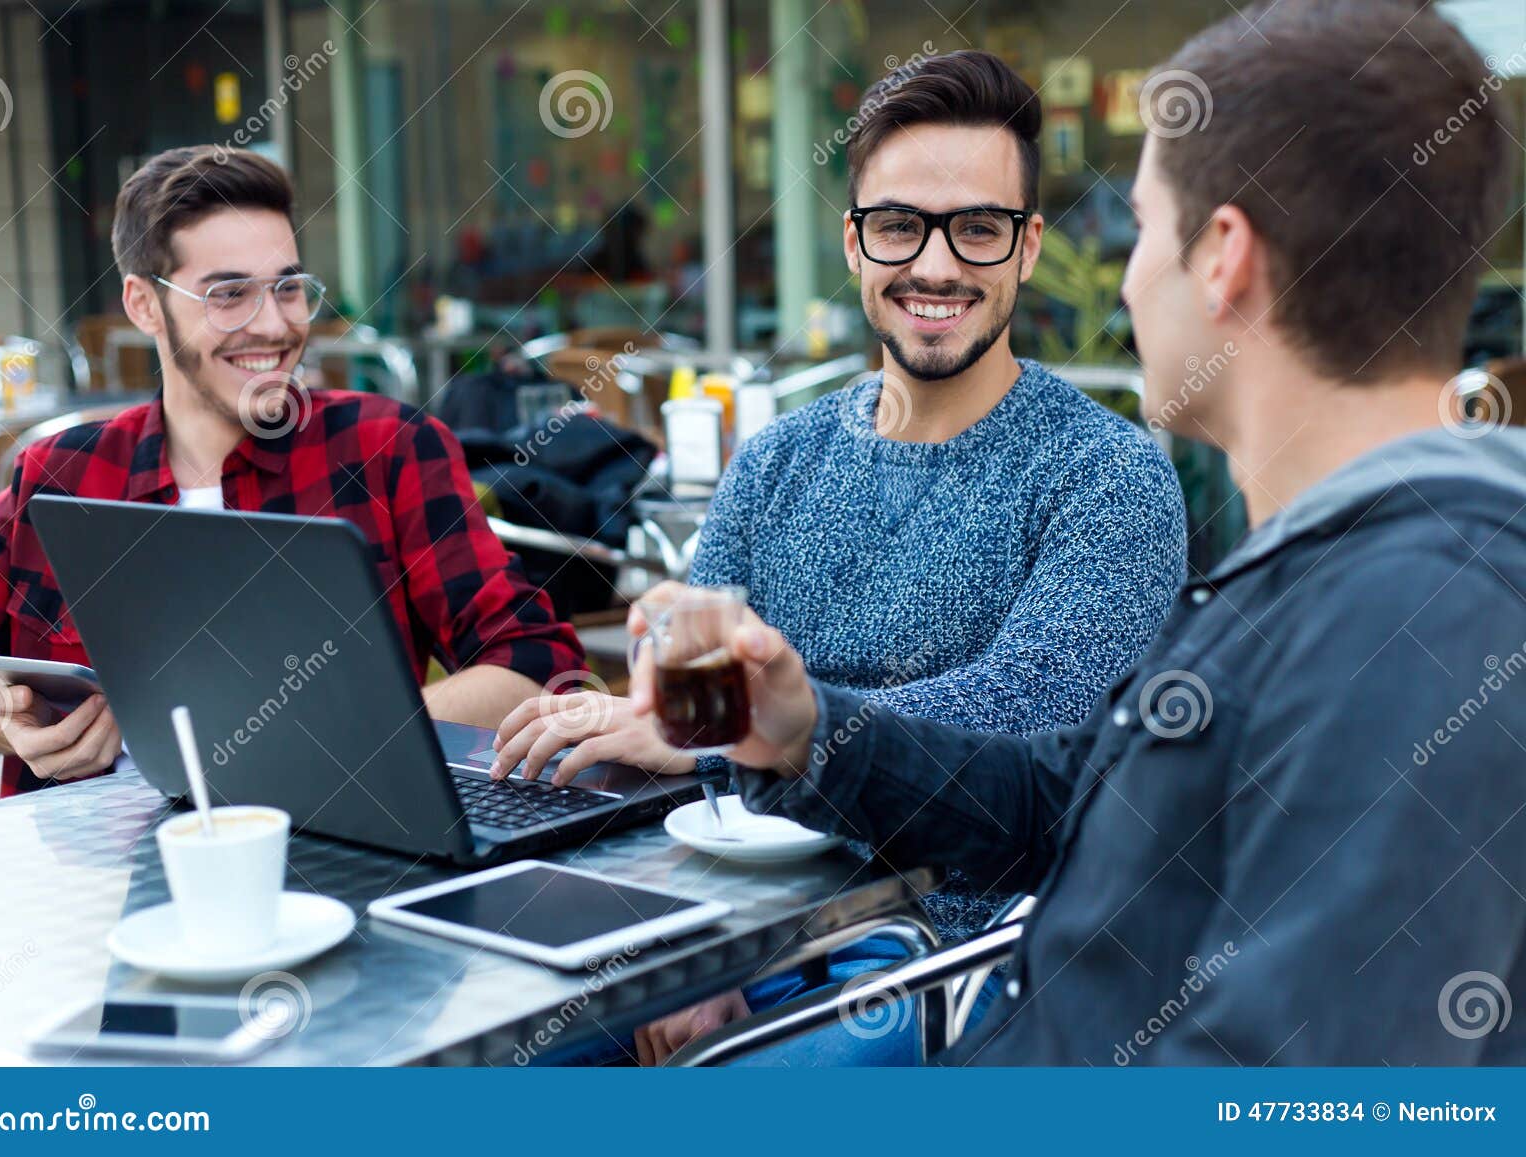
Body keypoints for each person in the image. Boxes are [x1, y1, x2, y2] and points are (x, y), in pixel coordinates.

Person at [622, 0, 1526, 1065]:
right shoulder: (1325, 572)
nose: (1130, 275)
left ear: (1221, 257)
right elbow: (1074, 796)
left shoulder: (1413, 615)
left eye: (1141, 226)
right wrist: (806, 728)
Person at [494, 50, 1188, 1063]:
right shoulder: (778, 457)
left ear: (1028, 247)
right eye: (900, 225)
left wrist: (719, 736)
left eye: (978, 229)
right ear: (856, 245)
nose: (937, 265)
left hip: (951, 956)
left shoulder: (1107, 475)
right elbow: (691, 678)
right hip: (729, 918)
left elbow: (1030, 729)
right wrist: (683, 942)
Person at [0, 146, 585, 797]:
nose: (273, 324)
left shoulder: (386, 449)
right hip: (88, 882)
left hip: (333, 860)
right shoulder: (62, 475)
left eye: (288, 288)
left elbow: (534, 665)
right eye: (230, 293)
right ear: (144, 304)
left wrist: (345, 741)